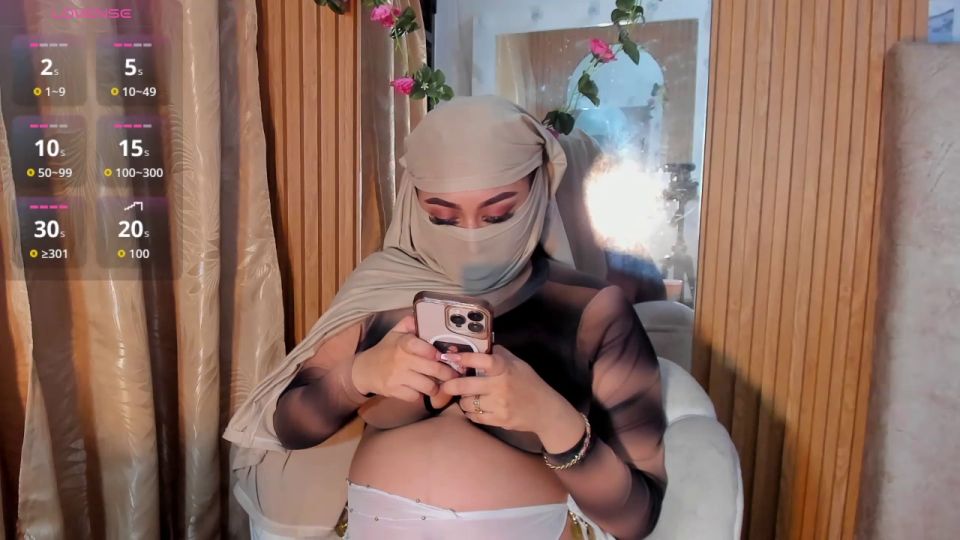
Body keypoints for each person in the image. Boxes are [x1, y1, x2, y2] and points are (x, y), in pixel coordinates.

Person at [224, 96, 666, 540]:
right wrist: (357, 377)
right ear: (414, 201)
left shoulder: (590, 309)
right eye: (442, 216)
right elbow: (289, 427)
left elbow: (636, 516)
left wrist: (552, 419)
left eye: (498, 214)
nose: (471, 238)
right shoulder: (381, 287)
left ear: (539, 191)